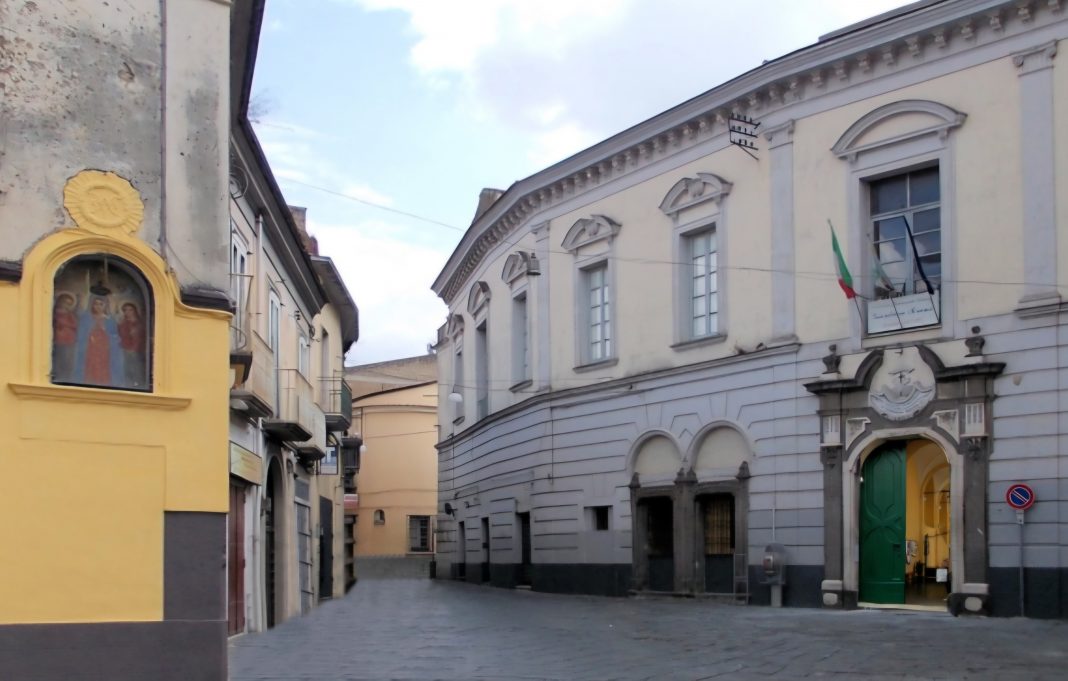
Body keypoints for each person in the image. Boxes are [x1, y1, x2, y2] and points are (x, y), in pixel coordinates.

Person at [73, 288, 123, 387]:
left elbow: (115, 336)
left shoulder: (110, 320)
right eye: (96, 304)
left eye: (101, 304)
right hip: (90, 348)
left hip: (104, 349)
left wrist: (107, 334)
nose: (98, 306)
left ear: (105, 306)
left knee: (103, 366)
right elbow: (81, 334)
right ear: (92, 305)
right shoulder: (86, 318)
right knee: (91, 365)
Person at [118, 302, 147, 388]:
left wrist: (135, 348)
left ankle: (138, 384)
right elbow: (120, 335)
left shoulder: (140, 323)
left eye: (130, 310)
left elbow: (142, 338)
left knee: (137, 368)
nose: (128, 312)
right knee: (126, 369)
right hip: (125, 350)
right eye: (125, 310)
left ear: (135, 311)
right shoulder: (122, 323)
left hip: (137, 351)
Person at [51, 292, 78, 382]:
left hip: (68, 341)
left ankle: (66, 378)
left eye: (69, 303)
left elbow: (74, 325)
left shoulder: (70, 315)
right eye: (65, 302)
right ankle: (59, 377)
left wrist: (66, 325)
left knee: (67, 361)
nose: (66, 305)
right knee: (58, 359)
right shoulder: (54, 313)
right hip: (58, 340)